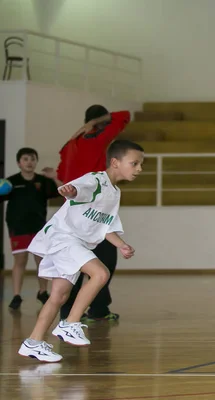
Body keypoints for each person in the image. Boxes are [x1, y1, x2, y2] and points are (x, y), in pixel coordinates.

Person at [18, 140, 144, 363]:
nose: (139, 169)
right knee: (100, 273)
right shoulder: (95, 180)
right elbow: (77, 189)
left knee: (59, 295)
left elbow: (105, 227)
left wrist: (121, 245)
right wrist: (71, 190)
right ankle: (70, 324)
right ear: (115, 162)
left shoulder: (114, 193)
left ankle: (34, 343)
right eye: (134, 163)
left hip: (74, 244)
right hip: (64, 238)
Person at [57, 105, 131, 322]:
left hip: (71, 216)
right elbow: (124, 117)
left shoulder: (69, 145)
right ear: (100, 123)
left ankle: (70, 314)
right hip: (95, 214)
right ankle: (95, 310)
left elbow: (62, 175)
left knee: (75, 266)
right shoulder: (98, 141)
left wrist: (83, 128)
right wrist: (97, 123)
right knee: (104, 264)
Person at [2, 148, 62, 310]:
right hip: (18, 226)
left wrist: (54, 177)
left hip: (39, 227)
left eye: (32, 159)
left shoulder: (43, 181)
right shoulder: (10, 182)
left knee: (41, 260)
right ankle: (16, 295)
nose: (29, 162)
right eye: (25, 159)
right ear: (19, 163)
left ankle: (42, 292)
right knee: (20, 260)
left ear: (36, 162)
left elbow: (64, 192)